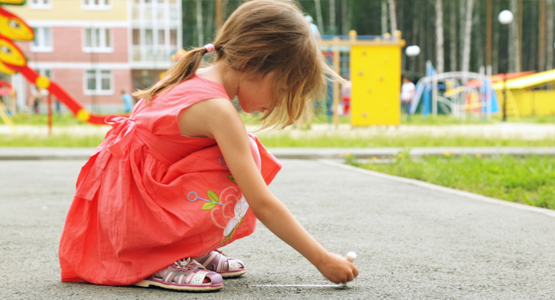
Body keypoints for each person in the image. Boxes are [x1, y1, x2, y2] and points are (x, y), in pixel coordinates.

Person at [59, 0, 358, 293]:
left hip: (123, 206)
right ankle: (156, 256)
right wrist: (322, 260)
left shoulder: (191, 76)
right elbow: (262, 202)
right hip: (132, 218)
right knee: (246, 155)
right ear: (256, 63)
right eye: (282, 89)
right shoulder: (217, 108)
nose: (279, 102)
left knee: (242, 149)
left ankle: (183, 247)